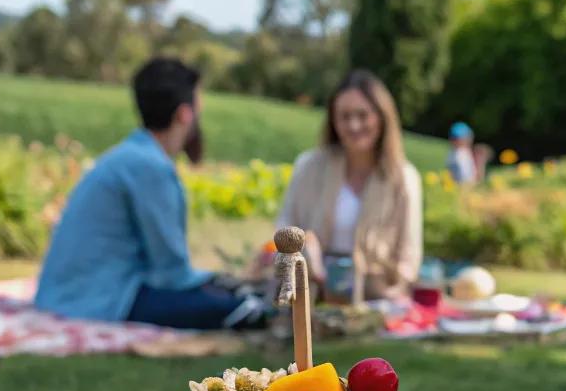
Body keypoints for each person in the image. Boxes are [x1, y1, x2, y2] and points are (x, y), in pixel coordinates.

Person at [35, 58, 268, 329]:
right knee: (242, 306)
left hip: (62, 294)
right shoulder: (151, 167)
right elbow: (171, 272)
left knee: (225, 292)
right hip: (98, 300)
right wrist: (224, 283)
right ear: (184, 114)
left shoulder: (129, 155)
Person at [275, 69, 422, 300]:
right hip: (309, 293)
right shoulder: (308, 166)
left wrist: (394, 293)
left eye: (363, 115)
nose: (354, 125)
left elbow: (409, 254)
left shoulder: (404, 177)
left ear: (382, 118)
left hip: (377, 296)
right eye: (344, 116)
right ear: (333, 121)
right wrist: (303, 250)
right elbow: (284, 226)